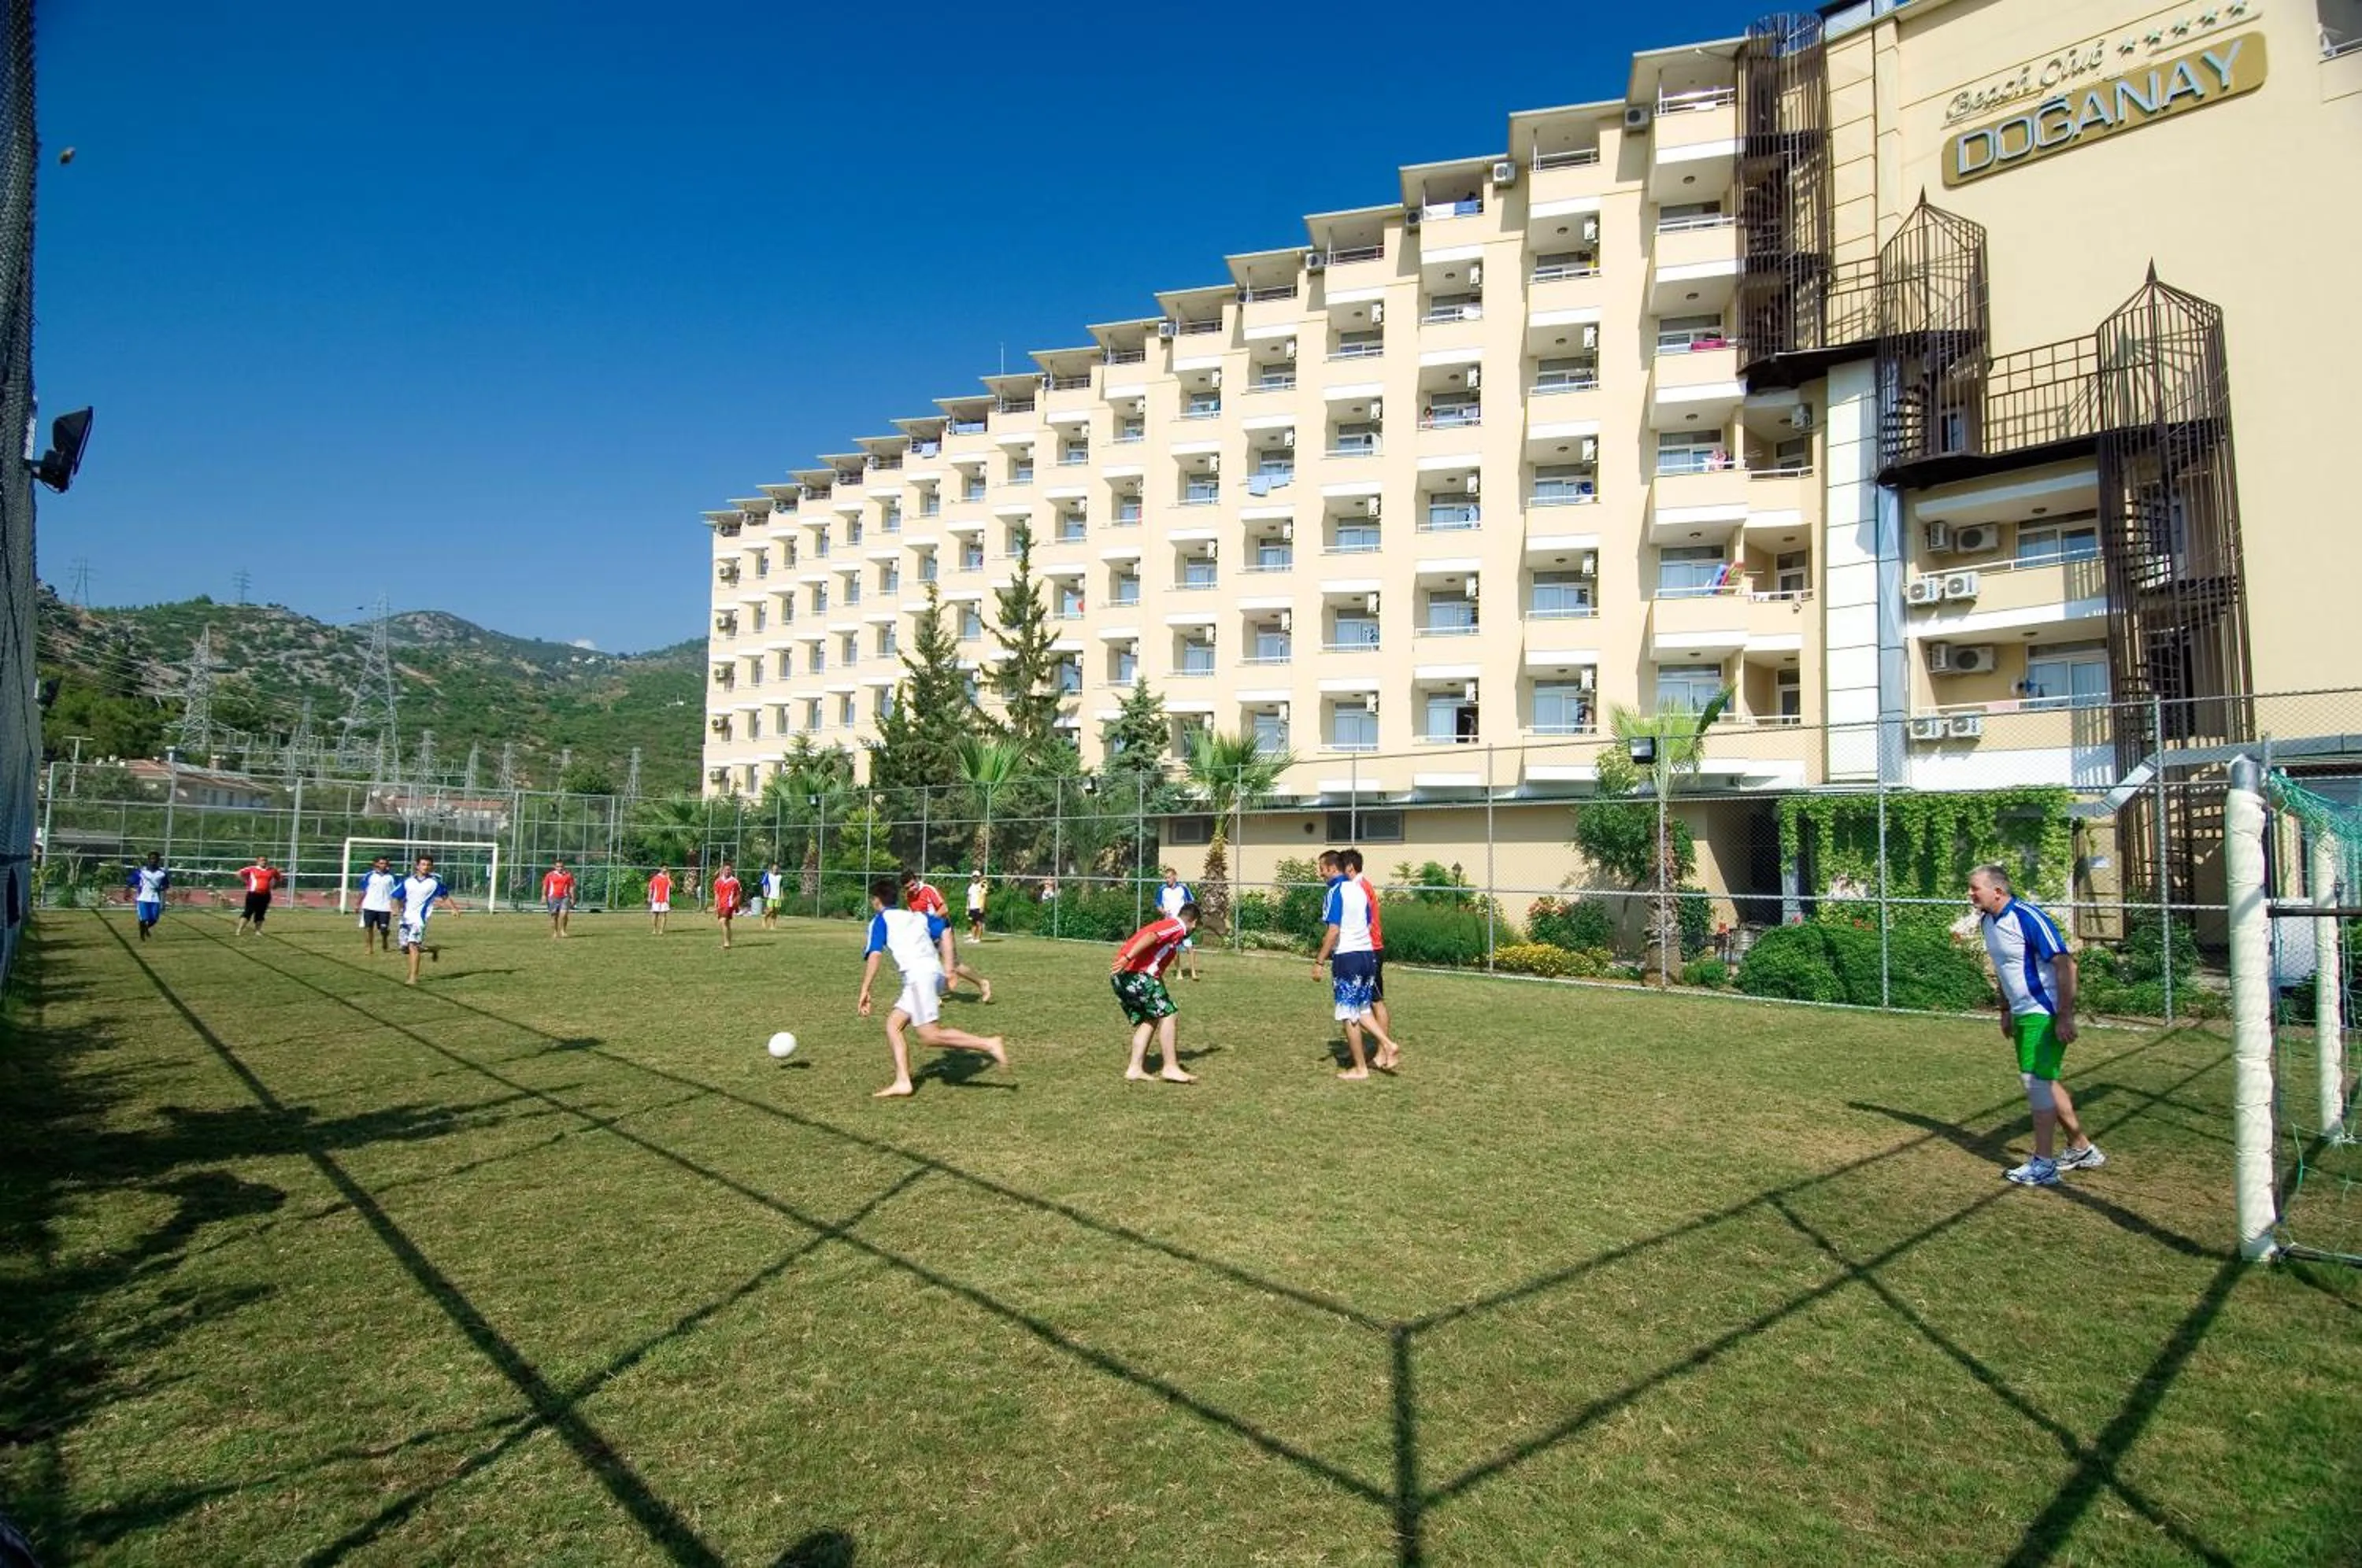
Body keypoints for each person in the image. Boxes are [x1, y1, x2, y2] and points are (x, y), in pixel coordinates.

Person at [1970, 863, 2104, 1187]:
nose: (1971, 894)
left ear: (1998, 891)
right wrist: (2004, 1009)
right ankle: (2081, 1148)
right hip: (2021, 1014)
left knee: (2036, 1084)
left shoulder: (2028, 918)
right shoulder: (1988, 921)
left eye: (1976, 888)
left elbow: (2067, 965)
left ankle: (2043, 1164)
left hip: (2043, 1013)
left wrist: (2065, 1014)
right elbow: (2004, 968)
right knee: (2045, 1081)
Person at [857, 876, 1008, 1099]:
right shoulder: (916, 916)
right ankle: (903, 1082)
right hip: (928, 974)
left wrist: (865, 990)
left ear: (876, 900)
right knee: (893, 1025)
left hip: (919, 976)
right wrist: (947, 969)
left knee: (929, 1035)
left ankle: (989, 1044)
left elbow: (875, 955)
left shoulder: (879, 921)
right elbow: (946, 929)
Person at [1312, 854, 1402, 1081]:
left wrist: (1319, 961)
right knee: (1362, 1008)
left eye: (1322, 868)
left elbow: (1334, 931)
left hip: (1348, 958)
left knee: (1348, 1012)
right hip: (1367, 955)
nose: (1320, 873)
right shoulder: (1360, 889)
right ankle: (1388, 1044)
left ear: (1333, 868)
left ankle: (1360, 1069)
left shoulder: (1335, 892)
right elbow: (1369, 921)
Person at [1113, 902, 1200, 1083]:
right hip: (1137, 975)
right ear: (1194, 922)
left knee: (1150, 1018)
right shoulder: (1176, 926)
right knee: (1169, 1013)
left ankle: (1135, 1069)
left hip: (1122, 977)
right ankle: (1170, 1067)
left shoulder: (1166, 925)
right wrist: (1127, 958)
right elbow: (1152, 936)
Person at [1338, 848, 1400, 1071]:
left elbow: (1367, 922)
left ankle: (1384, 1052)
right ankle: (1366, 1048)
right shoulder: (1357, 886)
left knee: (1374, 1001)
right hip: (1365, 950)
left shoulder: (1360, 887)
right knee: (1362, 1003)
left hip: (1369, 950)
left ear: (1350, 868)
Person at [901, 868, 991, 1002]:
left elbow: (944, 909)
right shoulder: (909, 897)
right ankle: (934, 994)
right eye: (908, 887)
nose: (912, 889)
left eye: (913, 885)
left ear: (917, 880)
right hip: (927, 934)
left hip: (943, 931)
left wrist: (929, 921)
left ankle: (982, 983)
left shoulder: (928, 890)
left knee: (955, 965)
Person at [394, 854, 457, 986]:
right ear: (417, 866)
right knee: (405, 948)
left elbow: (445, 897)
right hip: (406, 919)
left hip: (419, 919)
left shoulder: (434, 883)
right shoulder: (408, 881)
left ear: (432, 867)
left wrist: (453, 909)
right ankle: (432, 950)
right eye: (423, 864)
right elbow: (397, 897)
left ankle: (413, 978)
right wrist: (395, 909)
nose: (426, 867)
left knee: (413, 946)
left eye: (428, 865)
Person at [1156, 867, 1201, 981]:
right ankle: (1179, 972)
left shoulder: (1183, 888)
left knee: (1189, 947)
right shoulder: (1162, 889)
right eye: (1166, 878)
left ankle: (1193, 972)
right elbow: (1158, 904)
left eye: (1169, 877)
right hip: (1171, 924)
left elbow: (1191, 903)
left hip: (1184, 923)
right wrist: (1163, 911)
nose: (1167, 880)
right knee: (1175, 949)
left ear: (1175, 877)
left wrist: (1191, 919)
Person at [357, 854, 399, 956]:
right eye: (381, 863)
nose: (384, 865)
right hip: (369, 905)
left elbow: (396, 893)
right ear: (376, 864)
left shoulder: (392, 877)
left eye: (385, 863)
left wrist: (395, 907)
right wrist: (358, 904)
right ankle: (369, 947)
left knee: (383, 929)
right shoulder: (369, 876)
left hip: (385, 907)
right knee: (368, 928)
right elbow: (363, 891)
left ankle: (385, 940)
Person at [235, 855, 283, 936]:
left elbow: (279, 878)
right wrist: (246, 882)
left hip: (265, 895)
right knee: (248, 912)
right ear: (257, 861)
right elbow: (238, 873)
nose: (264, 862)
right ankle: (239, 930)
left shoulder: (272, 870)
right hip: (253, 894)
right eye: (262, 860)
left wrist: (276, 886)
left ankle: (258, 931)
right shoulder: (252, 869)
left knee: (260, 913)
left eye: (265, 860)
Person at [127, 852, 170, 941]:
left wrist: (161, 889)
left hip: (155, 898)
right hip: (143, 898)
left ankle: (146, 928)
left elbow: (166, 885)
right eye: (151, 859)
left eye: (155, 859)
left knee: (154, 919)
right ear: (148, 860)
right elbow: (131, 881)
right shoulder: (142, 871)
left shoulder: (162, 873)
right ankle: (142, 936)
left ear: (158, 860)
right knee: (143, 918)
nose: (153, 860)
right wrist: (127, 890)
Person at [542, 859, 576, 938]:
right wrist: (543, 895)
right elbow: (545, 886)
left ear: (564, 867)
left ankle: (563, 931)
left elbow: (571, 887)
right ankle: (555, 932)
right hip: (552, 898)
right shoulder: (549, 875)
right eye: (558, 867)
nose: (560, 868)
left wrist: (573, 898)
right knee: (554, 916)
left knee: (563, 915)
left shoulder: (568, 875)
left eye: (561, 866)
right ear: (555, 867)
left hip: (565, 897)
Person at [713, 860, 742, 950]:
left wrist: (737, 906)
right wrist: (715, 905)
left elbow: (738, 894)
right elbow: (717, 894)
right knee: (727, 924)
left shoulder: (735, 882)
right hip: (721, 905)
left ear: (732, 871)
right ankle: (728, 942)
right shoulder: (718, 881)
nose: (727, 871)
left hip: (729, 904)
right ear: (722, 870)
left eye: (729, 870)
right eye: (726, 870)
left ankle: (726, 944)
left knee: (723, 921)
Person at [648, 865, 673, 934]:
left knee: (664, 915)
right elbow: (651, 888)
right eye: (664, 868)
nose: (665, 870)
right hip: (656, 899)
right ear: (661, 869)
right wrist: (649, 897)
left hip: (665, 899)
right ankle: (654, 929)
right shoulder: (655, 878)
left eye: (666, 868)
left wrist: (668, 878)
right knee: (655, 914)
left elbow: (672, 886)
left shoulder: (667, 878)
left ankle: (661, 930)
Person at [761, 862, 785, 930]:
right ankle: (764, 919)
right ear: (772, 869)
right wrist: (765, 892)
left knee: (775, 911)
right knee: (770, 910)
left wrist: (782, 895)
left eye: (777, 869)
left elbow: (781, 886)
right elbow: (764, 884)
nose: (775, 870)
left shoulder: (780, 877)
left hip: (777, 896)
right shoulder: (768, 875)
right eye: (774, 869)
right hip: (770, 895)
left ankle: (772, 925)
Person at [966, 871, 988, 944]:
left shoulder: (982, 885)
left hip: (978, 907)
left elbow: (984, 896)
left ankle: (978, 939)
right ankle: (973, 938)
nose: (975, 878)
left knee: (979, 923)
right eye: (974, 877)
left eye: (977, 877)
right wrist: (968, 907)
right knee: (973, 923)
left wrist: (982, 907)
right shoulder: (971, 886)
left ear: (979, 877)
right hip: (972, 907)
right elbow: (969, 897)